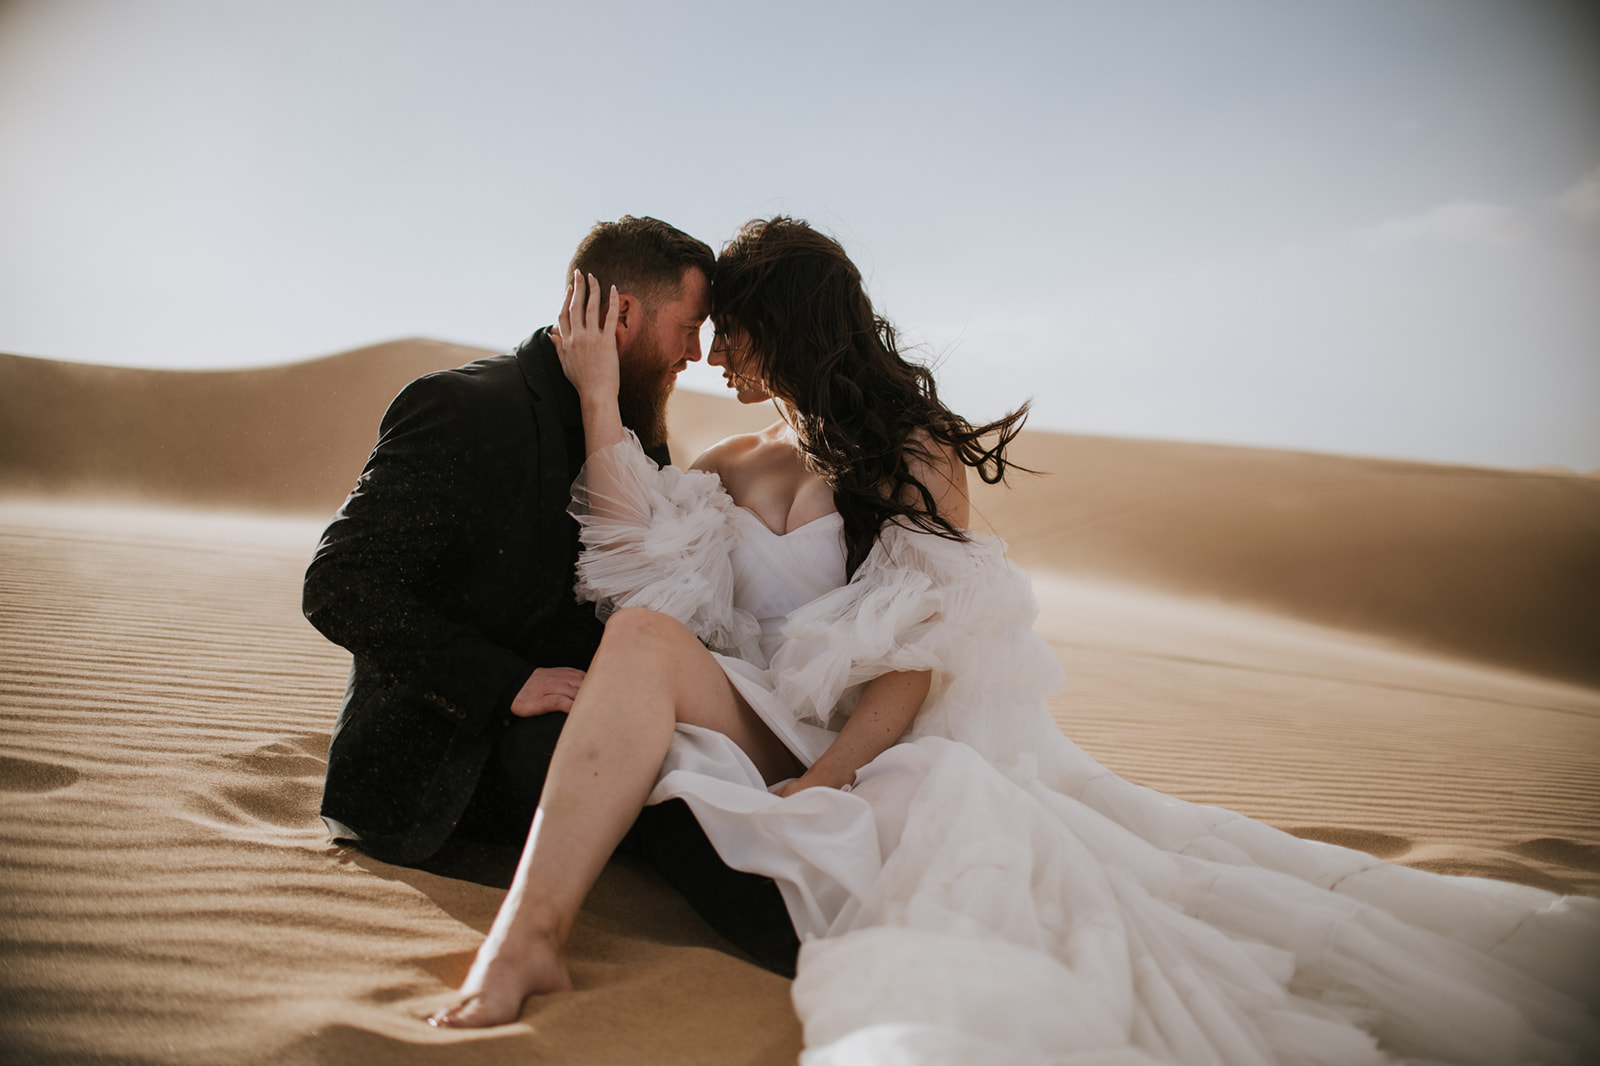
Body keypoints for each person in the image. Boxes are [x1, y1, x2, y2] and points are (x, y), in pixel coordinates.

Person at [431, 218, 1600, 1064]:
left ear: (787, 330)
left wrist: (830, 782)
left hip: (874, 745)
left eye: (734, 329)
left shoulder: (914, 459)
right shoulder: (730, 465)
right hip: (760, 708)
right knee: (638, 632)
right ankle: (527, 939)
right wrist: (596, 394)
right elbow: (633, 556)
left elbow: (918, 657)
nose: (715, 353)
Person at [302, 215, 801, 975]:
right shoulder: (465, 406)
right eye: (688, 329)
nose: (696, 355)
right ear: (622, 314)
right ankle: (809, 956)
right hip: (450, 760)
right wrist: (508, 684)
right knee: (668, 772)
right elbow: (338, 586)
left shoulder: (631, 425)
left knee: (692, 753)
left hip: (587, 717)